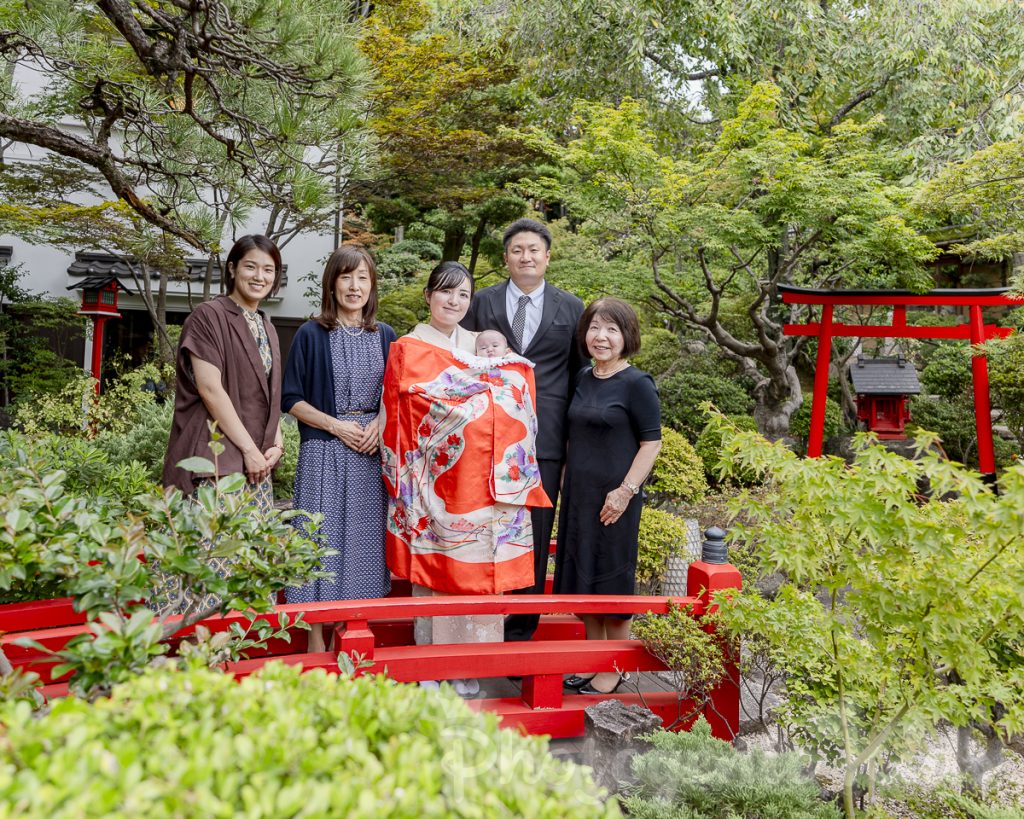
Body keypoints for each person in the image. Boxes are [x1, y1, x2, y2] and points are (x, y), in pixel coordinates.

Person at [380, 261, 550, 696]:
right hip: (431, 481)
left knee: (480, 571)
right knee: (437, 568)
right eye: (445, 293)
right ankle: (430, 665)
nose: (453, 302)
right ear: (428, 296)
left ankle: (470, 665)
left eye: (462, 295)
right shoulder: (409, 347)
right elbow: (405, 413)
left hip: (485, 484)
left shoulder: (483, 345)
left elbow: (515, 392)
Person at [461, 218, 584, 643]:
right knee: (486, 525)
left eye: (534, 249)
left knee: (534, 528)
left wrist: (573, 444)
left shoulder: (572, 307)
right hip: (488, 434)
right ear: (505, 258)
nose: (526, 257)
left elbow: (578, 373)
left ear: (548, 256)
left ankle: (520, 628)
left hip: (547, 437)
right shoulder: (480, 302)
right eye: (517, 250)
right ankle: (482, 617)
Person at [159, 234, 286, 614]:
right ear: (232, 269)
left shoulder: (266, 324)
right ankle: (196, 663)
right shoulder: (209, 316)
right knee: (209, 569)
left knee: (247, 569)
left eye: (269, 270)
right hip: (217, 462)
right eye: (251, 266)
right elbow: (210, 388)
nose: (259, 276)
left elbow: (269, 395)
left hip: (256, 465)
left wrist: (276, 442)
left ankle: (234, 663)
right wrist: (249, 449)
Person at [281, 245, 397, 653]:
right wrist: (336, 426)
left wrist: (379, 426)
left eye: (363, 277)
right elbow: (290, 398)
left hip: (369, 455)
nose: (354, 286)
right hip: (324, 452)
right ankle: (316, 644)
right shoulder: (311, 333)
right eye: (346, 276)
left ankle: (349, 644)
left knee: (362, 546)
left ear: (372, 285)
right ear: (332, 282)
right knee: (318, 542)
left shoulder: (385, 335)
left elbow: (396, 393)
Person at [555, 298, 662, 695]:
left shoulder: (637, 384)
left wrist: (624, 492)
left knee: (611, 579)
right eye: (595, 328)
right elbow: (573, 432)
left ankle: (615, 666)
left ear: (626, 336)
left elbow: (651, 444)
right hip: (580, 496)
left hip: (616, 498)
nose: (601, 337)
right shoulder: (583, 376)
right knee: (583, 576)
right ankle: (592, 660)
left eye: (612, 330)